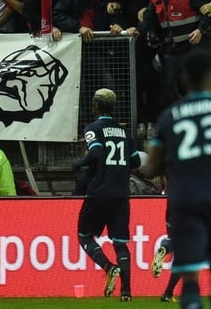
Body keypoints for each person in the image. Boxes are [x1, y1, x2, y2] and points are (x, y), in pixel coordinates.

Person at [141, 49, 211, 309]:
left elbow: (150, 167)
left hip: (185, 199)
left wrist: (169, 163)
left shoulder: (169, 115)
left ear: (184, 78)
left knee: (190, 278)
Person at [71, 88, 141, 301]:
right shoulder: (124, 132)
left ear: (95, 106)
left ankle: (109, 267)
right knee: (120, 242)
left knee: (84, 235)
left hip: (99, 193)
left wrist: (79, 163)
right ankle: (127, 292)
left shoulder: (93, 128)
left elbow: (97, 152)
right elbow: (136, 162)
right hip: (121, 194)